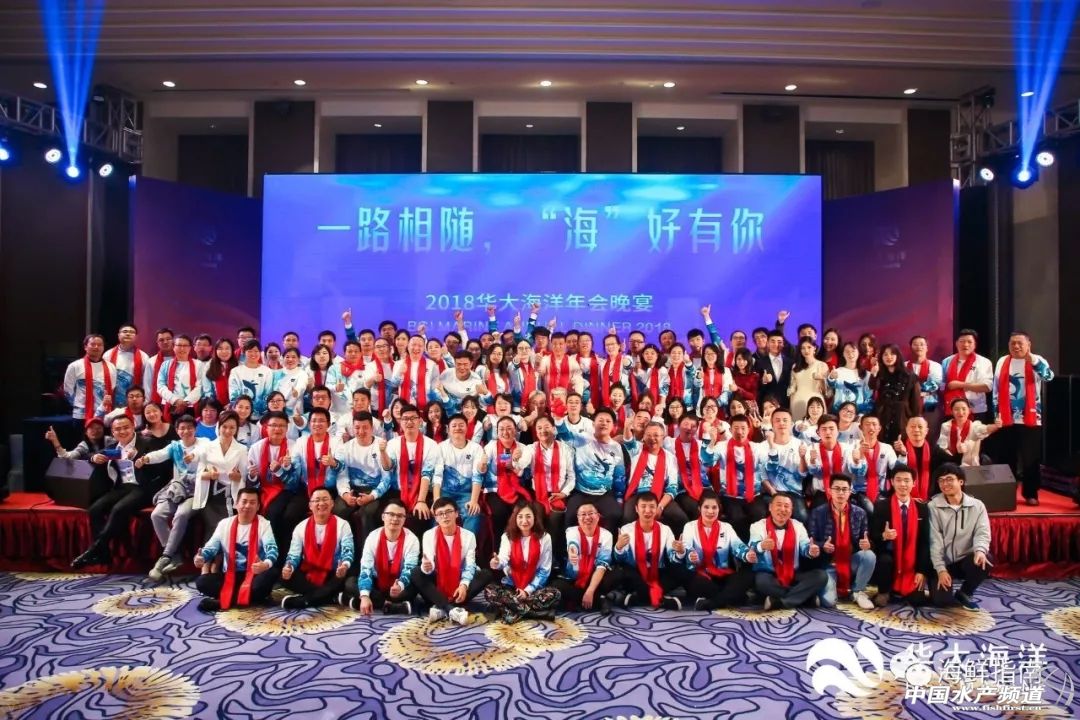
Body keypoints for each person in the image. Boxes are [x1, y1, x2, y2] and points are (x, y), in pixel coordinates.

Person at [72, 415, 157, 568]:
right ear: (112, 432)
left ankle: (93, 550)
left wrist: (139, 458)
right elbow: (86, 455)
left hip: (143, 488)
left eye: (126, 427)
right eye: (117, 429)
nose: (122, 431)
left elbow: (161, 467)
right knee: (95, 509)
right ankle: (104, 554)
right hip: (122, 487)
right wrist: (93, 457)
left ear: (133, 427)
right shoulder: (113, 448)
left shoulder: (147, 443)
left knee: (118, 510)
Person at [136, 415, 210, 582]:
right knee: (156, 515)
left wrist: (193, 456)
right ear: (177, 430)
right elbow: (160, 454)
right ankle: (175, 555)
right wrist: (146, 459)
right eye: (182, 428)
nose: (186, 431)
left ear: (195, 429)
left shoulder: (204, 442)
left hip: (197, 489)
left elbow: (202, 451)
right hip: (178, 488)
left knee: (181, 515)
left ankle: (166, 556)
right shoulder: (175, 446)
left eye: (189, 428)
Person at [991, 331, 1054, 505]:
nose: (1016, 346)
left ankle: (1031, 493)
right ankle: (1006, 493)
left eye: (1020, 343)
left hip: (1031, 418)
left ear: (1028, 345)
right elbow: (996, 389)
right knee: (1005, 457)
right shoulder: (1002, 361)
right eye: (1012, 343)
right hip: (1006, 418)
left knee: (1030, 459)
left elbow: (1049, 376)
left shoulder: (1037, 360)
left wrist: (1033, 361)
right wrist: (996, 414)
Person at [194, 487, 279, 613]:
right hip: (230, 575)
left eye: (252, 502)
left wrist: (265, 564)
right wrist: (202, 558)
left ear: (258, 507)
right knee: (202, 582)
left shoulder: (264, 524)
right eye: (244, 501)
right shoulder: (224, 524)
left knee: (272, 573)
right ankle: (251, 598)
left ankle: (225, 601)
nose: (247, 505)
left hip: (254, 574)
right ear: (236, 504)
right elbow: (211, 548)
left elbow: (272, 549)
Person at [411, 498, 491, 625]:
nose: (445, 516)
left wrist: (463, 585)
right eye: (440, 513)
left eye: (448, 512)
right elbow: (429, 564)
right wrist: (427, 567)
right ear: (436, 518)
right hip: (437, 581)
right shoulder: (429, 535)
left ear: (456, 513)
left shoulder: (468, 536)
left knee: (486, 574)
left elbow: (470, 565)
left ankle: (441, 607)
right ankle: (450, 609)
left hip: (458, 581)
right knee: (416, 572)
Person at [927, 464, 993, 610]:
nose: (945, 484)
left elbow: (982, 532)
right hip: (942, 561)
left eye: (949, 479)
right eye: (941, 480)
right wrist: (941, 569)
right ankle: (939, 583)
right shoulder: (933, 507)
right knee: (942, 602)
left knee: (985, 559)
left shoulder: (977, 506)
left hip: (964, 559)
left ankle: (965, 593)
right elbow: (934, 541)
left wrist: (980, 550)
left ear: (961, 481)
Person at [806, 473, 876, 610]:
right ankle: (827, 588)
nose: (841, 493)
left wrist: (868, 544)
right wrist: (822, 545)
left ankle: (858, 592)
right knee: (828, 602)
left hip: (850, 560)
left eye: (844, 489)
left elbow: (865, 539)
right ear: (829, 490)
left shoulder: (859, 513)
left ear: (850, 491)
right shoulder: (818, 512)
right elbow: (810, 540)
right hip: (828, 563)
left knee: (869, 555)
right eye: (837, 489)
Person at [485, 500, 561, 623]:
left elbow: (544, 570)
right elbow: (503, 559)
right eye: (520, 517)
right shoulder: (507, 536)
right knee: (490, 591)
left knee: (554, 593)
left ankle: (511, 610)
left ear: (535, 518)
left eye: (528, 516)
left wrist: (527, 591)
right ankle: (536, 614)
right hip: (512, 586)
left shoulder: (545, 537)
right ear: (515, 518)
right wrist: (496, 562)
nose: (524, 521)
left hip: (533, 587)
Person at [748, 494, 826, 610]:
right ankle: (805, 598)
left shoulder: (798, 526)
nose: (783, 509)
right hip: (769, 574)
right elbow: (752, 548)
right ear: (770, 507)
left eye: (786, 506)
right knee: (762, 583)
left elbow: (805, 546)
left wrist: (810, 551)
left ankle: (780, 602)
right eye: (779, 505)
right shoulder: (757, 526)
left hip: (793, 574)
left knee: (821, 576)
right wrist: (762, 546)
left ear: (791, 510)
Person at [681, 491, 756, 611]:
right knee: (692, 579)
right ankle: (731, 597)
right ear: (699, 509)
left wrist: (747, 554)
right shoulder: (690, 526)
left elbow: (738, 546)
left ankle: (712, 603)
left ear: (719, 509)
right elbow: (686, 547)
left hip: (723, 575)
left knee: (749, 574)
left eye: (714, 507)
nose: (710, 511)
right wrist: (690, 555)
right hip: (701, 576)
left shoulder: (726, 527)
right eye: (706, 507)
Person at [612, 492, 689, 610]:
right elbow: (620, 559)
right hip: (636, 573)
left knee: (682, 570)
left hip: (658, 573)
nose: (647, 511)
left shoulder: (665, 529)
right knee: (622, 572)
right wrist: (619, 547)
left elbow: (672, 558)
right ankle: (661, 600)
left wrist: (680, 552)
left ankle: (639, 598)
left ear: (657, 508)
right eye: (643, 506)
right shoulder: (626, 529)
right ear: (636, 509)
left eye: (652, 507)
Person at [280, 488, 354, 609]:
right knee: (285, 576)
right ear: (310, 505)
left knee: (346, 577)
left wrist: (344, 565)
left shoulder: (343, 525)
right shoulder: (301, 527)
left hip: (333, 572)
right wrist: (289, 567)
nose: (321, 503)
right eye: (317, 500)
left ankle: (304, 601)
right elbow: (294, 555)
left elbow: (348, 551)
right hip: (310, 571)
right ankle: (332, 597)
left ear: (332, 503)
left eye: (325, 499)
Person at [513, 415, 574, 560]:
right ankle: (536, 557)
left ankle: (553, 558)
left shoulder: (565, 449)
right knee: (536, 519)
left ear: (554, 429)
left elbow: (572, 477)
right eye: (539, 428)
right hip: (538, 495)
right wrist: (515, 459)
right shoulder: (531, 448)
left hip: (558, 495)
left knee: (555, 520)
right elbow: (521, 467)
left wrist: (564, 493)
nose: (543, 431)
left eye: (546, 427)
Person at [246, 411, 307, 556]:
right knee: (273, 513)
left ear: (287, 428)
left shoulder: (295, 447)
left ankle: (287, 555)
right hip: (265, 488)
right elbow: (251, 481)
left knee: (288, 515)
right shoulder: (256, 448)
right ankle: (270, 555)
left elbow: (296, 480)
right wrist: (252, 476)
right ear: (266, 428)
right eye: (273, 425)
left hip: (290, 489)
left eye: (281, 426)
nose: (277, 429)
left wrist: (286, 468)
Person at [869, 465, 931, 606]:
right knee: (885, 560)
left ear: (913, 483)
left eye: (907, 480)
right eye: (898, 480)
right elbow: (873, 534)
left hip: (911, 560)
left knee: (918, 601)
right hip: (889, 556)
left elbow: (924, 542)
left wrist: (921, 571)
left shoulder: (922, 508)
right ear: (892, 482)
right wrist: (884, 536)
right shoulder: (881, 506)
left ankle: (905, 586)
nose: (903, 484)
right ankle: (884, 591)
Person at [349, 499, 421, 614]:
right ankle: (389, 605)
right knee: (350, 583)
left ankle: (364, 602)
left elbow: (409, 568)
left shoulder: (412, 539)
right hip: (377, 583)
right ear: (383, 516)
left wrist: (400, 585)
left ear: (404, 519)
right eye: (391, 514)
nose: (395, 519)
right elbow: (366, 568)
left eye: (400, 516)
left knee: (414, 587)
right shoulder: (373, 537)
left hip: (398, 585)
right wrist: (365, 596)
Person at [379, 404, 439, 536]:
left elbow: (427, 474)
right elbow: (388, 466)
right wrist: (383, 452)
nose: (409, 422)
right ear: (400, 422)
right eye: (405, 419)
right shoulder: (393, 443)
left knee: (419, 516)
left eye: (413, 418)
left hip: (421, 491)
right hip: (398, 492)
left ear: (420, 421)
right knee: (385, 514)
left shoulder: (431, 445)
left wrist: (421, 501)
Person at [330, 412, 389, 543]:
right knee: (338, 510)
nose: (361, 431)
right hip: (352, 489)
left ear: (372, 428)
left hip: (374, 491)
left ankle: (367, 551)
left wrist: (372, 496)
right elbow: (342, 475)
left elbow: (387, 479)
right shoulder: (345, 448)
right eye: (357, 428)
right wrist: (345, 494)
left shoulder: (382, 446)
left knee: (367, 514)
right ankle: (344, 550)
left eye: (365, 427)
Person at [553, 501, 618, 614]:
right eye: (583, 514)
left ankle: (587, 598)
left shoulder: (606, 535)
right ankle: (601, 599)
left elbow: (601, 566)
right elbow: (573, 544)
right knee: (556, 586)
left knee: (613, 576)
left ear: (598, 516)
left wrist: (590, 590)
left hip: (594, 578)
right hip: (574, 579)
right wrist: (572, 553)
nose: (587, 517)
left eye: (591, 513)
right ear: (578, 518)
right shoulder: (571, 531)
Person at [193, 410, 247, 544]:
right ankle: (207, 555)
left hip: (229, 494)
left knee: (225, 526)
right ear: (218, 426)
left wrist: (236, 476)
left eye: (232, 427)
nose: (228, 431)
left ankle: (214, 556)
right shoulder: (207, 446)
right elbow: (200, 474)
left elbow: (243, 476)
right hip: (209, 495)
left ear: (237, 429)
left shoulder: (242, 449)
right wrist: (210, 475)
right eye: (225, 427)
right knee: (214, 525)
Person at [432, 414, 487, 538]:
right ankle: (439, 546)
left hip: (467, 493)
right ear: (448, 429)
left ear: (467, 428)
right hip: (445, 492)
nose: (458, 428)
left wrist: (474, 501)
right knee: (438, 514)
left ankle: (466, 546)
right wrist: (436, 499)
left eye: (461, 425)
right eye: (454, 425)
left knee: (473, 513)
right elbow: (437, 475)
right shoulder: (441, 447)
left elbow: (477, 476)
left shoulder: (476, 448)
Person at [622, 421, 683, 527]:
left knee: (680, 517)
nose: (652, 438)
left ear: (663, 437)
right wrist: (627, 427)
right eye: (648, 435)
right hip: (637, 494)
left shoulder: (670, 457)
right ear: (644, 436)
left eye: (656, 435)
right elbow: (628, 442)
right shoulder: (637, 450)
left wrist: (661, 506)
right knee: (628, 517)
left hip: (660, 495)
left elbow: (672, 486)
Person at [805, 415, 868, 512]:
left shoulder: (847, 448)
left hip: (845, 491)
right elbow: (815, 472)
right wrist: (813, 461)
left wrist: (856, 461)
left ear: (838, 431)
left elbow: (857, 471)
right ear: (818, 432)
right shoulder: (812, 448)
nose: (828, 432)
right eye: (824, 429)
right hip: (822, 491)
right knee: (816, 513)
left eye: (831, 429)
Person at [761, 408, 808, 523]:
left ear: (791, 423)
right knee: (762, 514)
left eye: (785, 420)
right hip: (771, 492)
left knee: (802, 516)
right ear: (772, 424)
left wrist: (802, 457)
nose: (781, 423)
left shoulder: (800, 444)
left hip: (794, 492)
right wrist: (773, 492)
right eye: (777, 420)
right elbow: (762, 475)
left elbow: (802, 474)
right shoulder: (763, 446)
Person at [64, 334, 120, 425]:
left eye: (100, 345)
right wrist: (79, 406)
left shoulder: (111, 367)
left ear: (103, 347)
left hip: (104, 414)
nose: (96, 347)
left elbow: (112, 389)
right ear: (85, 347)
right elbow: (68, 390)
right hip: (81, 415)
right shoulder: (74, 366)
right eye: (93, 344)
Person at [869, 344, 920, 444]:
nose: (889, 357)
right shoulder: (880, 374)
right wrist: (873, 374)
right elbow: (873, 387)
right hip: (884, 416)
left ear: (898, 356)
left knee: (900, 444)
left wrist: (915, 419)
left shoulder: (909, 376)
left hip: (902, 416)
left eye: (892, 354)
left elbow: (915, 401)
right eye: (885, 354)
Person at [893, 417, 951, 502]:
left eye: (920, 427)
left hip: (931, 499)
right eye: (912, 427)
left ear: (926, 431)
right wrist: (902, 454)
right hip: (903, 499)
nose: (916, 430)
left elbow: (954, 463)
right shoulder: (898, 448)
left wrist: (959, 452)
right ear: (906, 430)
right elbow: (893, 474)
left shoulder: (934, 449)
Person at [941, 329, 994, 421]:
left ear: (975, 344)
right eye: (962, 341)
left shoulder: (984, 362)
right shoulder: (947, 361)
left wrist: (960, 385)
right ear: (956, 343)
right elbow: (942, 384)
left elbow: (987, 387)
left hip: (975, 409)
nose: (965, 345)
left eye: (969, 342)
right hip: (951, 409)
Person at [938, 398, 1000, 467]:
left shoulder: (974, 426)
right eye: (956, 409)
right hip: (951, 464)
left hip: (971, 465)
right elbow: (942, 446)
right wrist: (953, 456)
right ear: (951, 412)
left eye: (964, 409)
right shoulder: (945, 426)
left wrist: (996, 426)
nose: (960, 412)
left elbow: (985, 429)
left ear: (969, 411)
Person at [156, 335, 205, 421]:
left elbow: (200, 386)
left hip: (191, 406)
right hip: (170, 405)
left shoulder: (199, 364)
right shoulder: (166, 365)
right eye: (179, 345)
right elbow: (160, 386)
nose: (182, 348)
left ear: (190, 348)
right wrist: (175, 400)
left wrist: (185, 402)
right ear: (173, 347)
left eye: (185, 346)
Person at [855, 413, 897, 510]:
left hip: (881, 492)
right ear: (861, 428)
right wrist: (859, 455)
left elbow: (896, 468)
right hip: (859, 492)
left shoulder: (886, 448)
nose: (871, 427)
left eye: (874, 424)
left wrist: (903, 455)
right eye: (867, 424)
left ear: (879, 428)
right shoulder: (853, 447)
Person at [105, 324, 152, 403]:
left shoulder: (144, 357)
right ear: (118, 335)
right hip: (112, 401)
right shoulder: (108, 355)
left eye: (131, 332)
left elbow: (147, 383)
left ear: (136, 337)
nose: (128, 334)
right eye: (125, 331)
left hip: (134, 401)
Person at [230, 339, 274, 418]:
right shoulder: (236, 371)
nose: (253, 354)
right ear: (244, 352)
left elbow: (268, 393)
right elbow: (233, 394)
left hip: (260, 414)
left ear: (260, 353)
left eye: (256, 351)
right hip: (241, 413)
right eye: (249, 351)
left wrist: (259, 408)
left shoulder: (267, 371)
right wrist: (243, 408)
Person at [788, 339, 828, 422]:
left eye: (809, 347)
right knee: (799, 426)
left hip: (815, 403)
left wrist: (821, 380)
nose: (806, 350)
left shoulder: (821, 365)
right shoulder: (795, 366)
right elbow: (792, 388)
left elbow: (826, 392)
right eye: (803, 348)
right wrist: (791, 404)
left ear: (814, 348)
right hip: (798, 402)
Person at [755, 331, 792, 407]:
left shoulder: (790, 363)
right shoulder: (759, 362)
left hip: (786, 404)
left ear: (783, 344)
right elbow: (755, 386)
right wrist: (763, 381)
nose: (776, 345)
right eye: (773, 341)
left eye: (779, 342)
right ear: (768, 343)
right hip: (767, 404)